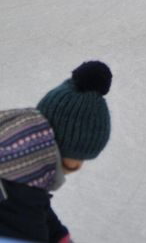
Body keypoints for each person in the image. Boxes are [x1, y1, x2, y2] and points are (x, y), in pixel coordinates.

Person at [0, 60, 114, 242]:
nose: (78, 166)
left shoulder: (19, 175)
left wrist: (60, 237)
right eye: (78, 158)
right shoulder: (19, 198)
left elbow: (38, 208)